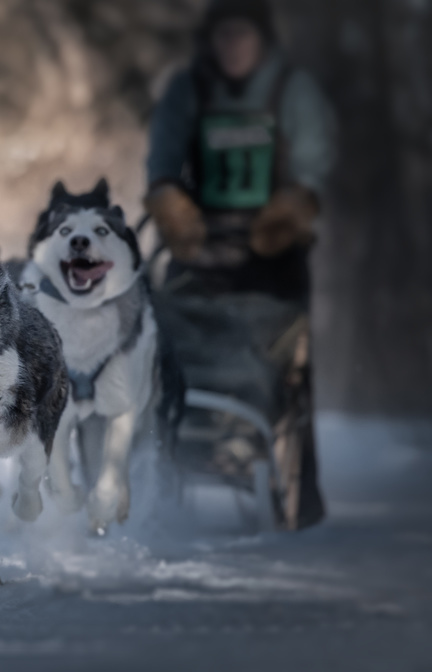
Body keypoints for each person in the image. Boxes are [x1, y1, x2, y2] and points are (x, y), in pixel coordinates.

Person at [145, 0, 334, 529]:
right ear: (211, 39)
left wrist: (298, 203)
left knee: (284, 367)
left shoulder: (290, 90)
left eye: (242, 35)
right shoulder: (190, 89)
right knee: (172, 342)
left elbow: (315, 157)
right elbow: (163, 153)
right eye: (224, 35)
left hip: (273, 258)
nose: (233, 46)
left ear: (261, 39)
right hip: (196, 253)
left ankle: (300, 503)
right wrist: (165, 196)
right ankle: (181, 453)